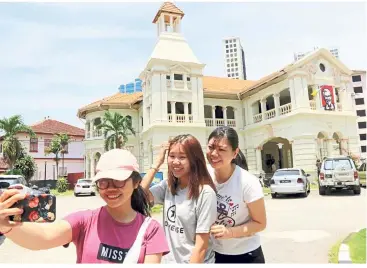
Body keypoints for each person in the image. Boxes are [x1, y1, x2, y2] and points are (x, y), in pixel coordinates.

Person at [0, 149, 169, 264]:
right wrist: (6, 226)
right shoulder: (85, 221)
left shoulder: (151, 230)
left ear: (136, 182)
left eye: (119, 181)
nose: (110, 188)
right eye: (103, 181)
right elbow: (45, 236)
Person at [141, 134, 217, 263]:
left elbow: (201, 247)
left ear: (194, 160)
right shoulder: (168, 186)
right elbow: (139, 196)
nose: (175, 162)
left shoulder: (205, 193)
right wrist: (157, 164)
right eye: (171, 156)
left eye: (182, 157)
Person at [206, 126, 267, 263]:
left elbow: (260, 223)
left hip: (246, 255)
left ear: (235, 153)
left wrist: (230, 232)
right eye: (211, 147)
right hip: (213, 254)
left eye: (222, 149)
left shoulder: (248, 182)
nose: (214, 153)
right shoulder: (204, 174)